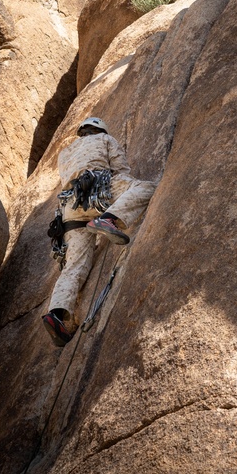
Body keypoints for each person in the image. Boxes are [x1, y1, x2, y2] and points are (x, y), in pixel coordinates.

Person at [42, 116, 156, 346]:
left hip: (70, 209)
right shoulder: (105, 139)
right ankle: (110, 219)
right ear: (99, 130)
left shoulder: (65, 153)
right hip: (97, 191)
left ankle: (58, 313)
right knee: (144, 187)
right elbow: (120, 168)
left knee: (75, 265)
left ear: (82, 131)